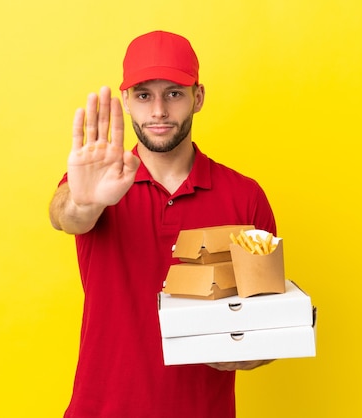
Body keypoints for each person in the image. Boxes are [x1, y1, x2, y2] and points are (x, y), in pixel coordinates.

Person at [49, 30, 277, 418]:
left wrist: (247, 353)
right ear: (126, 101)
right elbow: (66, 216)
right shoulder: (98, 186)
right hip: (100, 409)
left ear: (198, 98)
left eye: (173, 93)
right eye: (143, 95)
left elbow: (270, 322)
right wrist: (85, 201)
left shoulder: (245, 196)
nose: (158, 111)